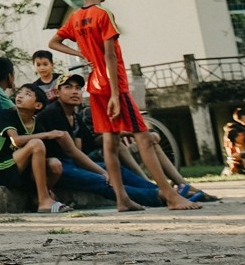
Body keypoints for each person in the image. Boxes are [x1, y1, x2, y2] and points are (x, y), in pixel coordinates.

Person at [49, 0, 198, 211]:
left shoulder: (75, 18)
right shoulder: (102, 14)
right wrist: (117, 95)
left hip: (95, 85)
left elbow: (53, 42)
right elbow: (110, 56)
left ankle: (122, 199)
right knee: (144, 138)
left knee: (110, 142)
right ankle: (170, 196)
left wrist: (80, 53)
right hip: (112, 84)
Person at [37, 74, 215, 206]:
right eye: (68, 87)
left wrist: (129, 135)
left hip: (73, 162)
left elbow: (85, 145)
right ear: (57, 92)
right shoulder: (53, 112)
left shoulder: (74, 115)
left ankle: (169, 191)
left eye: (77, 88)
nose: (74, 91)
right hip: (56, 166)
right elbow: (72, 152)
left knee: (118, 171)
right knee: (104, 180)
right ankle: (160, 196)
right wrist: (102, 172)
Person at [0, 83, 70, 213]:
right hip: (3, 167)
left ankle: (39, 197)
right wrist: (47, 134)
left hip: (23, 170)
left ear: (38, 105)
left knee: (55, 165)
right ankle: (44, 200)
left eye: (27, 94)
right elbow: (16, 141)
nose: (20, 96)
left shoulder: (37, 124)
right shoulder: (7, 115)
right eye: (20, 92)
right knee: (36, 143)